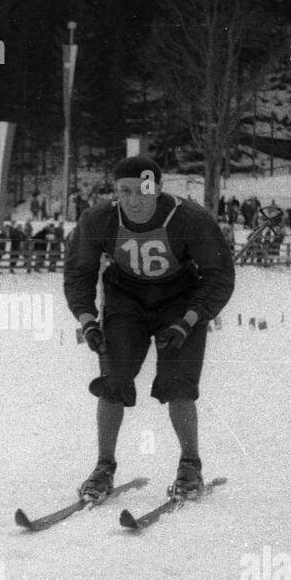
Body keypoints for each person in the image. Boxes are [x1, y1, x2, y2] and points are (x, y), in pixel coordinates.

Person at [64, 156, 236, 501]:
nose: (134, 199)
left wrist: (190, 319)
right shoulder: (100, 219)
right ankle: (103, 466)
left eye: (143, 190)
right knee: (113, 379)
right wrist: (87, 320)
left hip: (180, 301)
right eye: (124, 191)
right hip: (126, 299)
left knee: (179, 384)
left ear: (157, 189)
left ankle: (190, 464)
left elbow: (219, 275)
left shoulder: (189, 218)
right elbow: (78, 272)